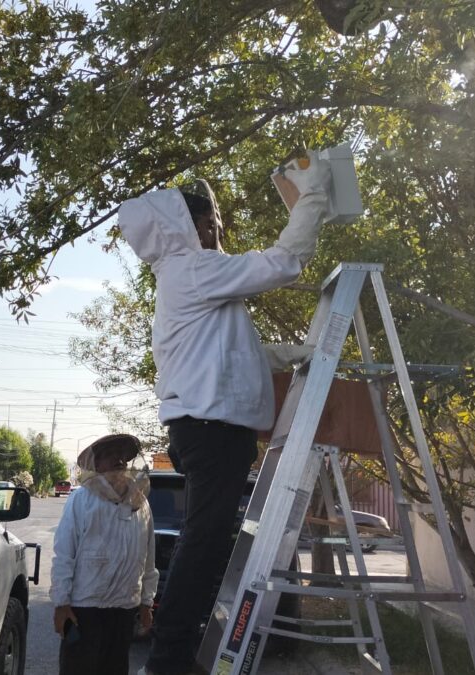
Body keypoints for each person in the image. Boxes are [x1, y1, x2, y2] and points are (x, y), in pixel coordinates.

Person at [118, 157, 332, 675]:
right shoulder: (194, 268)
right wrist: (315, 193)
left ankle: (176, 652)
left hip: (204, 428)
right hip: (212, 431)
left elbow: (228, 353)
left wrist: (289, 354)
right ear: (189, 228)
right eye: (210, 222)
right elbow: (285, 260)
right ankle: (170, 659)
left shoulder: (184, 277)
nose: (218, 230)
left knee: (208, 543)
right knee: (205, 543)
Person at [50, 433, 160, 675]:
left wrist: (145, 603)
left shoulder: (140, 504)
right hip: (84, 609)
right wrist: (61, 603)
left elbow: (148, 557)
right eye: (110, 454)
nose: (118, 459)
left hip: (124, 608)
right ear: (96, 464)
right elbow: (64, 554)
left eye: (122, 455)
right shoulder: (80, 499)